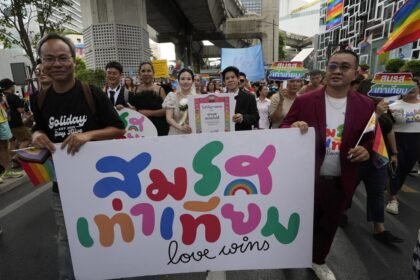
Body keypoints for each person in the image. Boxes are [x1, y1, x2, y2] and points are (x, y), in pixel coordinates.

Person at [32, 33, 125, 280]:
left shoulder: (91, 93)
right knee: (67, 236)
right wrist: (36, 135)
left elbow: (118, 128)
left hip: (101, 182)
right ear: (41, 63)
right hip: (62, 185)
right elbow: (39, 128)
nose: (56, 64)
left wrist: (88, 136)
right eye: (49, 59)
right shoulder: (38, 99)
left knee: (106, 229)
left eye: (63, 57)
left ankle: (109, 272)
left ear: (74, 61)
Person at [281, 50, 375, 280]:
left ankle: (318, 260)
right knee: (299, 223)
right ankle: (288, 254)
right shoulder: (304, 101)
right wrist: (293, 128)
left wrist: (367, 150)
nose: (337, 71)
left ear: (355, 73)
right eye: (332, 66)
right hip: (307, 178)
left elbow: (371, 138)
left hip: (341, 179)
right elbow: (284, 125)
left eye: (344, 67)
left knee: (330, 225)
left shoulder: (366, 105)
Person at [386, 78, 420, 215]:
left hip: (417, 141)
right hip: (398, 140)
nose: (411, 89)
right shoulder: (393, 106)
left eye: (414, 86)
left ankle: (392, 189)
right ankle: (393, 199)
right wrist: (393, 150)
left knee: (406, 170)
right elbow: (389, 129)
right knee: (396, 169)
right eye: (406, 86)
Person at [129, 62, 169, 136]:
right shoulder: (135, 90)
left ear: (153, 73)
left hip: (159, 128)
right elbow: (133, 109)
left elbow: (166, 111)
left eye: (149, 71)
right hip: (140, 129)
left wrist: (149, 113)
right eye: (143, 71)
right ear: (139, 74)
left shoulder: (160, 89)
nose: (146, 73)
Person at [221, 66, 259, 131]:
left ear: (238, 79)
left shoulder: (249, 97)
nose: (230, 80)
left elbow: (256, 117)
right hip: (224, 136)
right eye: (227, 78)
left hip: (243, 136)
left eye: (233, 77)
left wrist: (243, 118)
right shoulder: (220, 98)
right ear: (224, 82)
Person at [0, 78, 31, 150]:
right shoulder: (13, 96)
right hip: (16, 124)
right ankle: (18, 157)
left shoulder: (2, 97)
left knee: (12, 141)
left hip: (6, 124)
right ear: (11, 87)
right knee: (27, 139)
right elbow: (21, 110)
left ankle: (12, 158)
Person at [163, 68, 195, 135]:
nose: (185, 81)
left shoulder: (197, 98)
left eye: (189, 79)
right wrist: (181, 128)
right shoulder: (172, 96)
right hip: (176, 133)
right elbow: (169, 118)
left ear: (192, 81)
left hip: (193, 134)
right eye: (182, 79)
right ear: (179, 81)